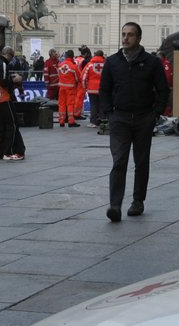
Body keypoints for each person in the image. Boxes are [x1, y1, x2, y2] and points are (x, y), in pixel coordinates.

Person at [98, 21, 170, 222]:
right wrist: (108, 113)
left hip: (143, 117)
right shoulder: (112, 62)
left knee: (141, 161)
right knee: (119, 160)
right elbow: (104, 89)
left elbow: (163, 89)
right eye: (123, 34)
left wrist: (155, 113)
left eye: (130, 35)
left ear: (138, 38)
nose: (125, 38)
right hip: (119, 118)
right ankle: (115, 205)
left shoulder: (151, 62)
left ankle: (138, 201)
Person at [0, 47, 26, 161]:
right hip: (4, 98)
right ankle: (8, 152)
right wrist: (14, 80)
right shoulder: (3, 64)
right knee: (12, 124)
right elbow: (3, 82)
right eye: (11, 57)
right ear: (8, 55)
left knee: (1, 126)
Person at [56, 49, 83, 126]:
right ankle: (71, 121)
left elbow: (59, 75)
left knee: (61, 104)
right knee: (70, 104)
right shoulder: (74, 66)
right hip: (70, 88)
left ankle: (61, 121)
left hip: (61, 87)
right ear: (72, 56)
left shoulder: (60, 65)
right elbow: (78, 78)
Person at [83, 46, 107, 130]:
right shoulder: (106, 64)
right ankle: (103, 121)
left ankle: (93, 122)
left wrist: (85, 87)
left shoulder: (89, 64)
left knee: (93, 105)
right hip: (102, 88)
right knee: (101, 105)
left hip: (92, 88)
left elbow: (83, 77)